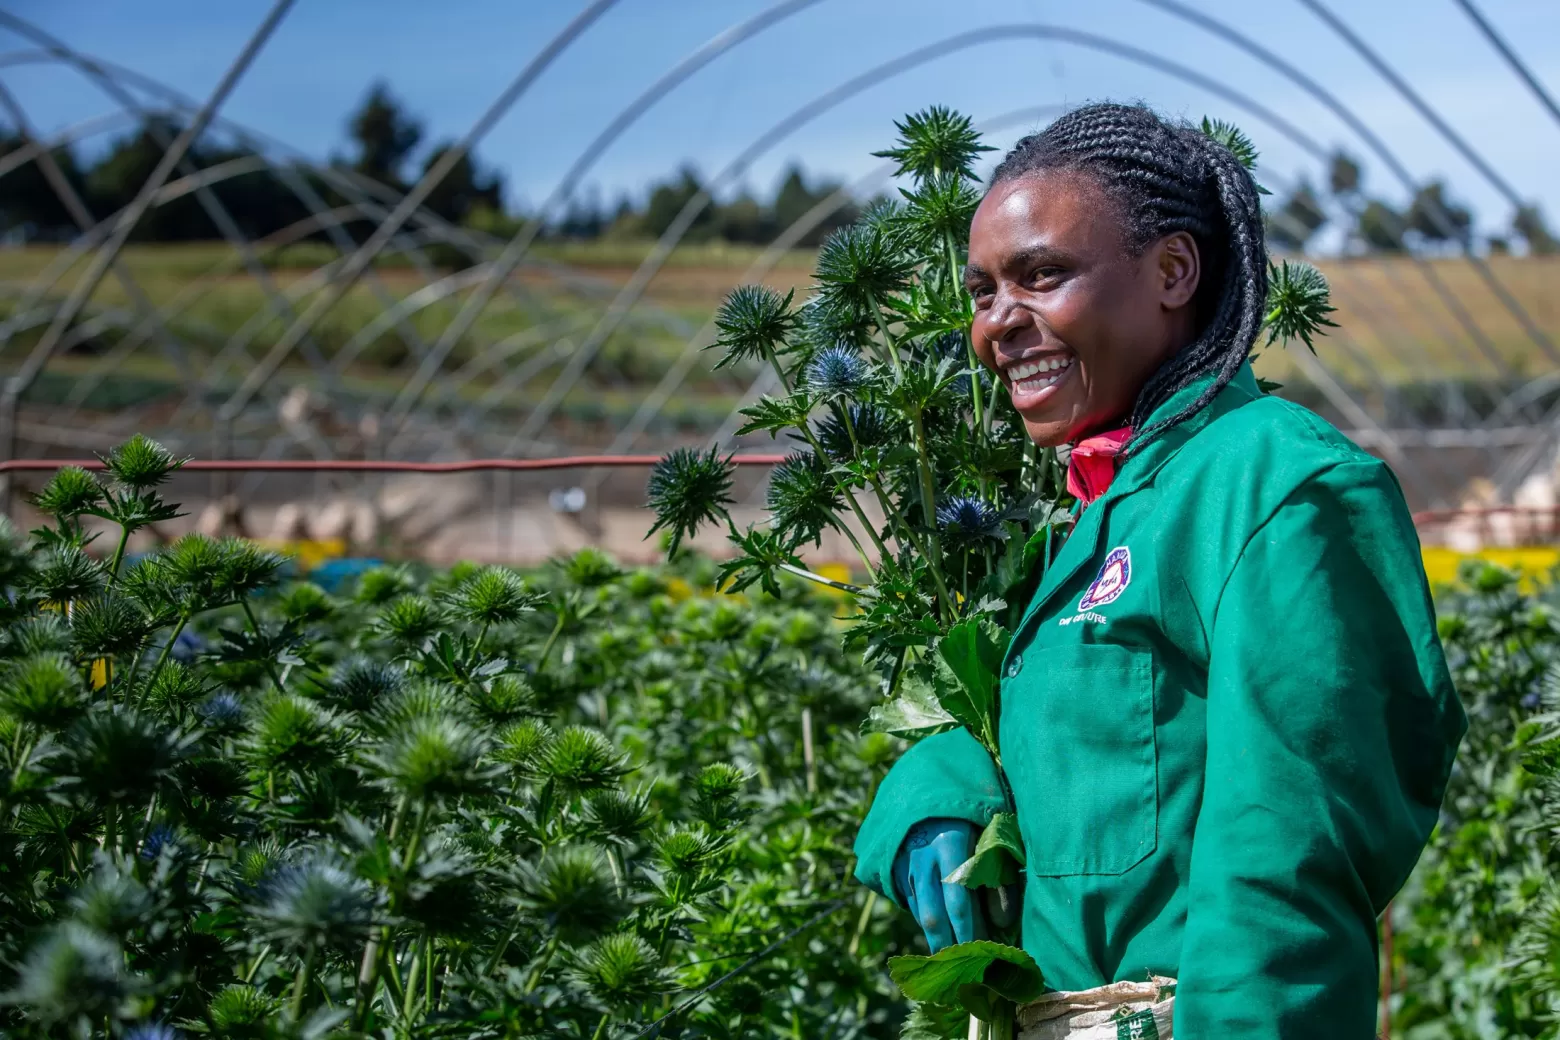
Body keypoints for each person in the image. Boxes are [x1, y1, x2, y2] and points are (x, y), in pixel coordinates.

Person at [852, 102, 1467, 1037]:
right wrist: (939, 797)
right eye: (982, 292)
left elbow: (1283, 879)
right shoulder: (1103, 502)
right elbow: (1075, 742)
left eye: (1042, 275)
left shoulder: (1275, 486)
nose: (998, 326)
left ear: (1174, 271)